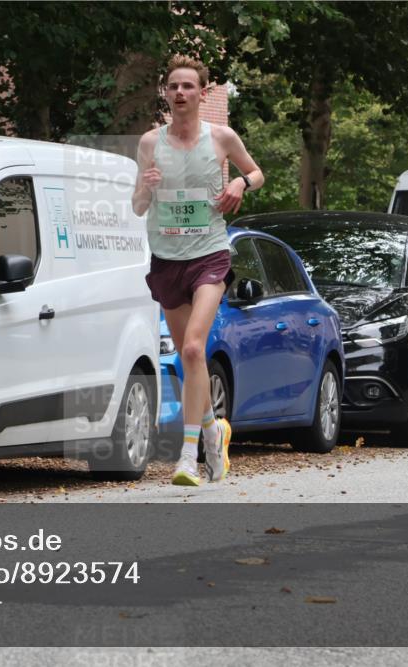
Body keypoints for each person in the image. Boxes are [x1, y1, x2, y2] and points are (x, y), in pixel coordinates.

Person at [132, 55, 264, 486]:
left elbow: (256, 172)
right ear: (165, 92)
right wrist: (147, 188)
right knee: (191, 362)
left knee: (192, 349)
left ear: (202, 93)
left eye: (189, 86)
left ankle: (187, 458)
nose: (180, 93)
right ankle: (213, 431)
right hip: (167, 258)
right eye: (174, 86)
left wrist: (239, 183)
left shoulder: (221, 137)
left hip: (209, 254)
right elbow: (136, 206)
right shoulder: (151, 143)